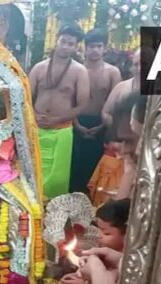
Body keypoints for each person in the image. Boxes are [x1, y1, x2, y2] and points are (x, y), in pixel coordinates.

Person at [29, 24, 90, 200]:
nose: (65, 46)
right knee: (32, 173)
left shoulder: (79, 71)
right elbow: (26, 96)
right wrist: (33, 115)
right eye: (63, 41)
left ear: (76, 46)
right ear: (56, 40)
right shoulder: (39, 68)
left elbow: (82, 104)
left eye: (71, 43)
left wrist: (58, 119)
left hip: (62, 130)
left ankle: (53, 217)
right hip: (36, 128)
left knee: (57, 179)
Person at [70, 29, 121, 194]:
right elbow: (69, 99)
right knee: (73, 164)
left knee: (95, 166)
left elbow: (115, 104)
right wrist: (76, 124)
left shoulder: (112, 72)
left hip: (101, 124)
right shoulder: (76, 70)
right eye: (91, 46)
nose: (95, 50)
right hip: (76, 121)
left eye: (99, 46)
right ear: (85, 48)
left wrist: (101, 127)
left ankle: (91, 205)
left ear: (105, 48)